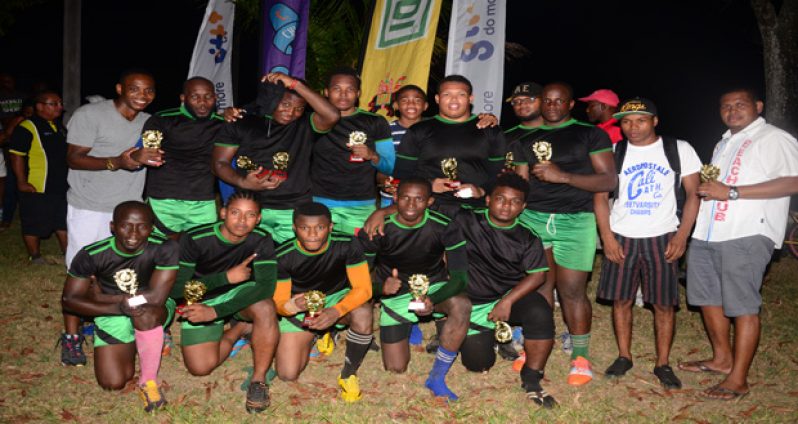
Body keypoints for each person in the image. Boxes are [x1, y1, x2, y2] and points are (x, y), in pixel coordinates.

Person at [679, 88, 798, 400]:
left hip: (746, 231)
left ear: (758, 107)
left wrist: (732, 192)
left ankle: (739, 380)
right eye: (726, 106)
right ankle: (721, 360)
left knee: (742, 305)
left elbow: (794, 180)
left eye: (740, 105)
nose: (732, 111)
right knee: (707, 298)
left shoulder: (774, 137)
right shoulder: (724, 142)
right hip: (708, 231)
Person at [511, 82, 616, 385]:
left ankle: (580, 357)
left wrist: (564, 176)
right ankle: (535, 347)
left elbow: (607, 181)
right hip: (533, 219)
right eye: (548, 100)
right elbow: (520, 184)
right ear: (540, 102)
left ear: (570, 105)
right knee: (539, 288)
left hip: (576, 220)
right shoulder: (524, 138)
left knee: (572, 291)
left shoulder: (590, 134)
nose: (553, 105)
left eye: (560, 101)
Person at [594, 97, 701, 389]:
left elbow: (693, 194)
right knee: (621, 299)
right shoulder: (615, 152)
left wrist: (682, 236)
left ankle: (662, 363)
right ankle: (624, 356)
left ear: (655, 121)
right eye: (626, 122)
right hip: (622, 235)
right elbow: (600, 196)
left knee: (664, 303)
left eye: (641, 120)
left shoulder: (678, 149)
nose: (633, 127)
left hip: (663, 235)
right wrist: (606, 237)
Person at [61, 69, 162, 366]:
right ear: (120, 88)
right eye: (135, 89)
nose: (142, 96)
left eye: (149, 91)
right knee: (80, 271)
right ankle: (71, 336)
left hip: (129, 210)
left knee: (120, 271)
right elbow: (73, 157)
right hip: (90, 205)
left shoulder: (149, 122)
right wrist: (118, 162)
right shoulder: (90, 114)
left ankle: (108, 318)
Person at [358, 178, 471, 401]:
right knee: (395, 368)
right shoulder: (377, 228)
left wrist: (433, 298)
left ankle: (437, 377)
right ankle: (409, 323)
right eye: (405, 198)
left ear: (429, 201)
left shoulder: (444, 225)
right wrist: (381, 288)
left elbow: (460, 279)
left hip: (433, 286)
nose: (411, 204)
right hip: (395, 292)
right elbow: (358, 280)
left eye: (419, 199)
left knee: (462, 304)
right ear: (395, 199)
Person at [60, 201, 178, 412]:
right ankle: (143, 340)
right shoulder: (92, 254)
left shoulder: (164, 247)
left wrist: (106, 299)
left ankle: (148, 381)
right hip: (113, 313)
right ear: (113, 226)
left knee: (145, 315)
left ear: (151, 228)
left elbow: (157, 296)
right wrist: (117, 308)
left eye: (142, 226)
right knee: (112, 382)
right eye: (126, 225)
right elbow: (69, 300)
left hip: (151, 309)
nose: (133, 233)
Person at [453, 173, 555, 407]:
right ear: (488, 200)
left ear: (523, 206)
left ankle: (532, 376)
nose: (506, 205)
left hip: (508, 297)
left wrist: (507, 302)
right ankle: (497, 336)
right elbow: (423, 211)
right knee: (477, 365)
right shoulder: (466, 220)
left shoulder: (527, 236)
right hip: (474, 302)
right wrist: (380, 212)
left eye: (515, 201)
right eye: (500, 198)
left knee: (540, 311)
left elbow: (538, 274)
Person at [172, 191, 278, 413]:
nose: (242, 220)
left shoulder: (262, 238)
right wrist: (224, 278)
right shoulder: (195, 238)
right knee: (200, 368)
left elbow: (267, 286)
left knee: (266, 306)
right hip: (201, 298)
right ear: (223, 213)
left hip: (239, 296)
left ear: (258, 218)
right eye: (235, 213)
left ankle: (258, 382)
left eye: (250, 215)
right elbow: (175, 289)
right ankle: (238, 330)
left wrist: (216, 311)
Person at [214, 72, 339, 244]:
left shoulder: (306, 124)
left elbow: (332, 115)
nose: (291, 112)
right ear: (271, 99)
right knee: (253, 262)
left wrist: (295, 84)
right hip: (251, 207)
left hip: (293, 207)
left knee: (290, 263)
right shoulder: (241, 121)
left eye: (299, 108)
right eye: (285, 104)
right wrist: (243, 182)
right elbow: (220, 163)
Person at [272, 202, 373, 402]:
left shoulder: (348, 244)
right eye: (304, 228)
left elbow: (364, 289)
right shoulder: (281, 256)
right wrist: (293, 306)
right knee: (287, 373)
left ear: (331, 227)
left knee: (363, 313)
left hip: (337, 298)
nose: (312, 234)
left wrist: (336, 311)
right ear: (294, 228)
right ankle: (319, 332)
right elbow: (279, 303)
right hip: (301, 305)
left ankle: (348, 374)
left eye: (320, 227)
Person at [393, 75, 507, 216]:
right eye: (447, 94)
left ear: (470, 98)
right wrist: (429, 184)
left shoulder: (490, 129)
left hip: (476, 211)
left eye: (461, 94)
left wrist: (481, 190)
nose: (454, 99)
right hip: (430, 210)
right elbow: (402, 174)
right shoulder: (418, 130)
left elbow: (500, 176)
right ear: (437, 99)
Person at [311, 67, 394, 235]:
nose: (343, 94)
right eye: (337, 89)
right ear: (326, 92)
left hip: (361, 204)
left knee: (359, 258)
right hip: (320, 202)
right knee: (322, 259)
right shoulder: (313, 121)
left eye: (350, 89)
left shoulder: (375, 122)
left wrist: (372, 155)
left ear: (358, 93)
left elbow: (390, 167)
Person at [143, 77, 224, 239]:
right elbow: (149, 151)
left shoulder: (223, 124)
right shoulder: (161, 119)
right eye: (195, 97)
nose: (202, 102)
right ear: (183, 98)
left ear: (215, 98)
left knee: (202, 253)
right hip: (163, 200)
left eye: (208, 97)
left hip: (203, 201)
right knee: (160, 251)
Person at [6, 91, 68, 263]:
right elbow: (16, 155)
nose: (60, 107)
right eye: (54, 104)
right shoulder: (27, 126)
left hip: (60, 184)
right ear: (40, 106)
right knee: (34, 221)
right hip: (37, 185)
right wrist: (21, 182)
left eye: (60, 103)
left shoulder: (58, 126)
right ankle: (35, 256)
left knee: (62, 220)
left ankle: (68, 254)